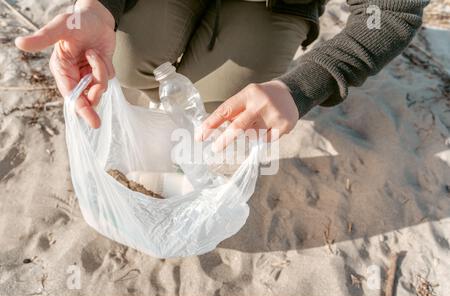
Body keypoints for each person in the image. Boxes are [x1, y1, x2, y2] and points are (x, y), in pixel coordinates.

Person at [15, 0, 428, 151]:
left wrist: (304, 85)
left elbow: (393, 9)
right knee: (121, 61)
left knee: (223, 107)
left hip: (274, 5)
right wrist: (100, 6)